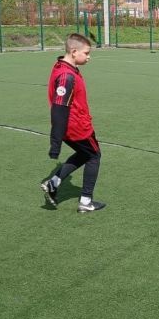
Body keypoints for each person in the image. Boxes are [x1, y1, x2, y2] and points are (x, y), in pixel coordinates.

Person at [41, 33, 105, 213]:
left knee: (84, 154)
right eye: (86, 53)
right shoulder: (66, 77)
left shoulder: (62, 66)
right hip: (77, 127)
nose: (89, 56)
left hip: (73, 125)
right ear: (74, 51)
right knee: (94, 156)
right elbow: (59, 110)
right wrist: (55, 144)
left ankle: (53, 183)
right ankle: (85, 201)